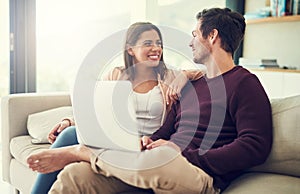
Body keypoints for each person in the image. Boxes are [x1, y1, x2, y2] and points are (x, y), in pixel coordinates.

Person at [28, 7, 273, 193]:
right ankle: (82, 157)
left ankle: (82, 152)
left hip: (200, 175)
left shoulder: (244, 83)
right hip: (157, 164)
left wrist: (183, 153)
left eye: (195, 34)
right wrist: (150, 141)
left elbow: (254, 145)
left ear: (212, 36)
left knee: (159, 158)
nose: (189, 42)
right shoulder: (189, 86)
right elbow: (166, 130)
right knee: (75, 175)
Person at [28, 22, 204, 194]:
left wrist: (184, 74)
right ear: (130, 49)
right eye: (148, 43)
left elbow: (208, 71)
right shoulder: (116, 74)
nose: (156, 48)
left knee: (73, 156)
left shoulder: (169, 75)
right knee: (69, 133)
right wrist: (68, 121)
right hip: (117, 141)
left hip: (147, 145)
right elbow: (95, 110)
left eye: (159, 43)